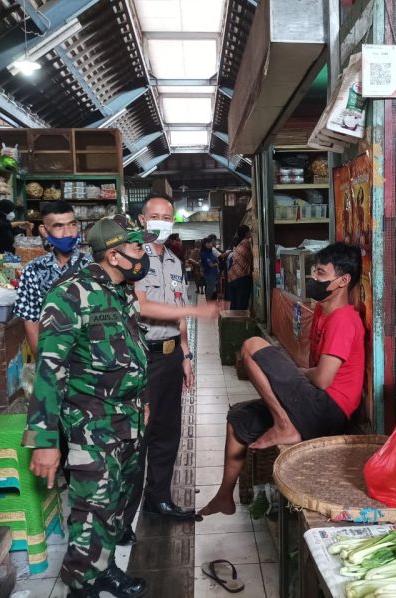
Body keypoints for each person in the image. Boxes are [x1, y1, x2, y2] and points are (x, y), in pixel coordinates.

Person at [24, 215, 157, 598]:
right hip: (90, 424)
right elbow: (49, 371)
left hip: (127, 418)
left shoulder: (122, 292)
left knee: (116, 502)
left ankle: (104, 569)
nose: (142, 254)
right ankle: (81, 586)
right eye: (136, 248)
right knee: (91, 509)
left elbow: (132, 352)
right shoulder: (69, 295)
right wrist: (46, 441)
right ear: (113, 255)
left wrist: (142, 400)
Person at [198, 243, 365, 517]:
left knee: (252, 345)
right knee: (238, 418)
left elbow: (322, 379)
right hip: (313, 402)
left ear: (343, 281)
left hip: (327, 409)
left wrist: (298, 374)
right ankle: (223, 496)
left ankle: (284, 424)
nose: (314, 279)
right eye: (314, 272)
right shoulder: (324, 312)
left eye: (321, 274)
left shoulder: (344, 320)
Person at [120, 195, 219, 540]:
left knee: (167, 433)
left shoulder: (175, 262)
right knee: (139, 437)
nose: (162, 222)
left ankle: (158, 499)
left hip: (170, 355)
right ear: (142, 220)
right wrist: (196, 313)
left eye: (167, 216)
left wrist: (187, 354)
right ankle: (122, 518)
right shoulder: (130, 259)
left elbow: (176, 310)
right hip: (141, 358)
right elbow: (142, 306)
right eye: (155, 216)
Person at [13, 201, 92, 356]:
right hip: (51, 355)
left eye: (72, 224)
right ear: (44, 230)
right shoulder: (33, 270)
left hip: (89, 361)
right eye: (58, 226)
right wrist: (44, 363)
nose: (68, 233)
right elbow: (30, 320)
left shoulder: (93, 267)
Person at [227, 225, 254, 310]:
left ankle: (233, 322)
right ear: (246, 233)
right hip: (241, 277)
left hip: (232, 277)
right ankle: (239, 322)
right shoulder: (246, 242)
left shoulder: (238, 244)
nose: (251, 233)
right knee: (241, 305)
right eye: (250, 232)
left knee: (234, 305)